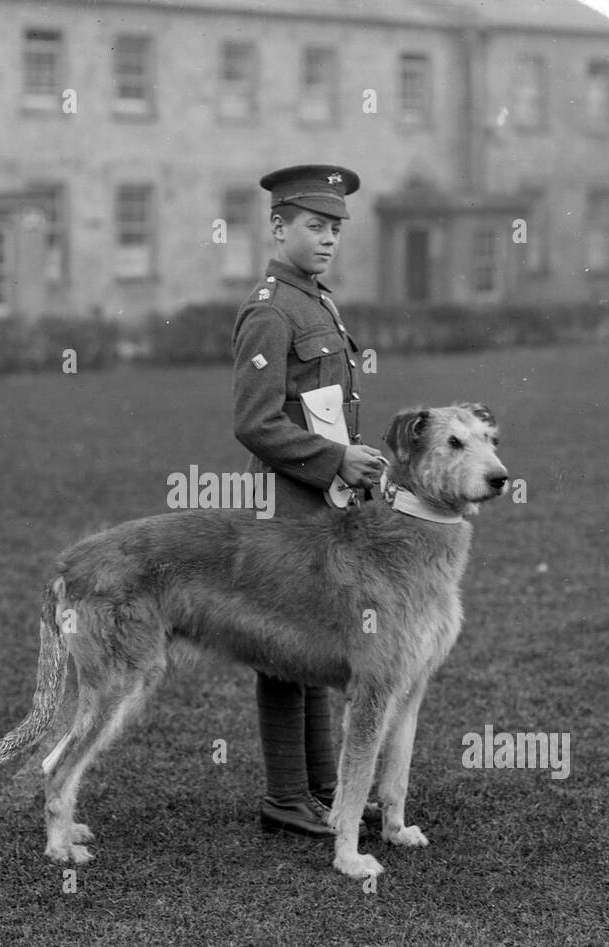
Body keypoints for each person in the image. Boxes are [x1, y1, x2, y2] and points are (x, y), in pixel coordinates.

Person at [231, 164, 386, 837]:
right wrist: (336, 459)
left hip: (327, 502)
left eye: (334, 230)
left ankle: (323, 784)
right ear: (277, 227)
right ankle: (285, 797)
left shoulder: (317, 301)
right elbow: (256, 423)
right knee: (282, 650)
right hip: (286, 508)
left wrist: (352, 467)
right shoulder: (271, 309)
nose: (327, 241)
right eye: (314, 227)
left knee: (320, 642)